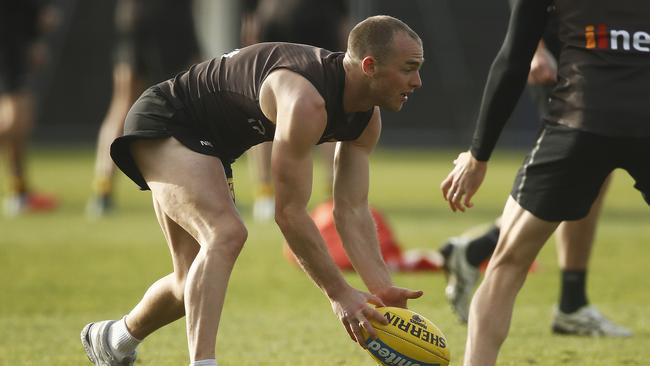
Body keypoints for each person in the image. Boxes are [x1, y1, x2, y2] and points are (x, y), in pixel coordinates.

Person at [81, 15, 425, 366]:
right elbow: (289, 213)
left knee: (190, 286)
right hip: (171, 118)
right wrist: (339, 293)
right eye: (409, 68)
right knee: (226, 233)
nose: (418, 81)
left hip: (212, 143)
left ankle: (112, 339)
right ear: (369, 66)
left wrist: (381, 288)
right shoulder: (306, 99)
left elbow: (351, 209)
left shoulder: (366, 119)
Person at [441, 0, 650, 364]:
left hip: (581, 122)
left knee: (507, 264)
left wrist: (478, 156)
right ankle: (570, 303)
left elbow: (512, 59)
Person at [86, 0, 200, 217]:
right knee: (192, 96)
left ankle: (102, 191)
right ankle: (204, 189)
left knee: (122, 102)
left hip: (133, 13)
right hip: (169, 16)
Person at [240, 0, 349, 221]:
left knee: (324, 113)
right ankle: (267, 193)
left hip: (305, 24)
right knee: (268, 112)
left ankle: (329, 194)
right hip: (284, 25)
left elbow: (342, 15)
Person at [0, 0, 58, 216]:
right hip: (8, 39)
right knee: (16, 119)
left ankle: (19, 193)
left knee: (21, 121)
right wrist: (36, 27)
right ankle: (19, 193)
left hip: (14, 38)